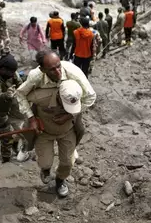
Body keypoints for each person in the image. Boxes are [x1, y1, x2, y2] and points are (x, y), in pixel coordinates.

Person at [15, 50, 97, 197]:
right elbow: (20, 94)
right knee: (43, 159)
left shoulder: (74, 74)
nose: (58, 71)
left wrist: (69, 115)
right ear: (42, 69)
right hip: (44, 130)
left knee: (68, 161)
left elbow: (91, 97)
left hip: (68, 127)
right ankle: (29, 149)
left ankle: (60, 181)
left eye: (59, 66)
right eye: (52, 69)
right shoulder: (36, 77)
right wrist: (32, 118)